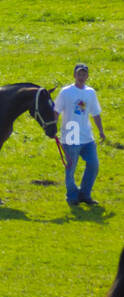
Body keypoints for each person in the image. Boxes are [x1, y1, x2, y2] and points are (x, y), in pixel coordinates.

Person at [55, 62, 107, 207]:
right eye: (79, 74)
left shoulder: (90, 92)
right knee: (71, 167)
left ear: (88, 76)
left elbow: (96, 113)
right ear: (74, 75)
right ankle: (72, 196)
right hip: (71, 135)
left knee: (93, 164)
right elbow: (56, 110)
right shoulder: (66, 92)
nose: (82, 76)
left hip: (87, 136)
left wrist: (101, 131)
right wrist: (53, 129)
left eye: (84, 74)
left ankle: (85, 193)